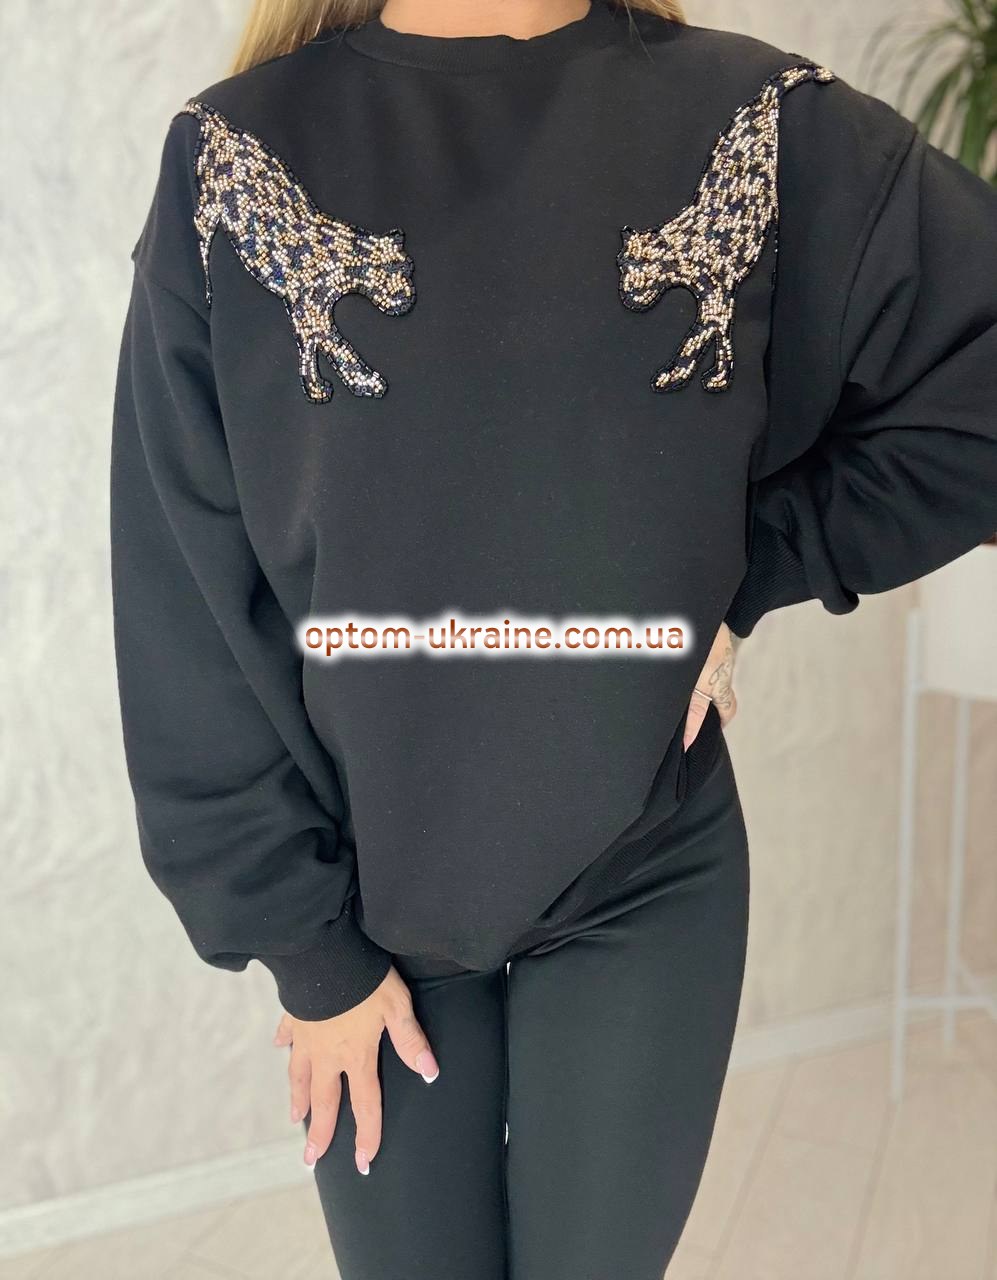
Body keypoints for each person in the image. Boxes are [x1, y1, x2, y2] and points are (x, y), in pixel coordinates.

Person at [108, 1, 997, 1275]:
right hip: (370, 907)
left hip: (646, 873)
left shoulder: (758, 122)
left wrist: (754, 560)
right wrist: (307, 949)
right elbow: (186, 590)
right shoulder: (233, 155)